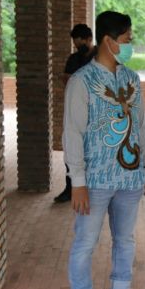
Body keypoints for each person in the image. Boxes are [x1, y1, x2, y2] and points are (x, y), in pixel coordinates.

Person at [64, 11, 145, 289]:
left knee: (125, 239)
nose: (130, 44)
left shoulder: (131, 78)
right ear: (108, 40)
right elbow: (72, 133)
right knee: (85, 243)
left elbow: (139, 125)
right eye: (127, 38)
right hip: (95, 180)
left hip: (130, 178)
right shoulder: (82, 81)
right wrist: (77, 182)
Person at [55, 24, 97, 203]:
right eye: (75, 43)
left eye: (80, 42)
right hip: (76, 108)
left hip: (95, 111)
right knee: (72, 147)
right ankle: (70, 187)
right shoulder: (73, 59)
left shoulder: (97, 58)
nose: (78, 46)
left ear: (89, 39)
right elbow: (67, 79)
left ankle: (93, 187)